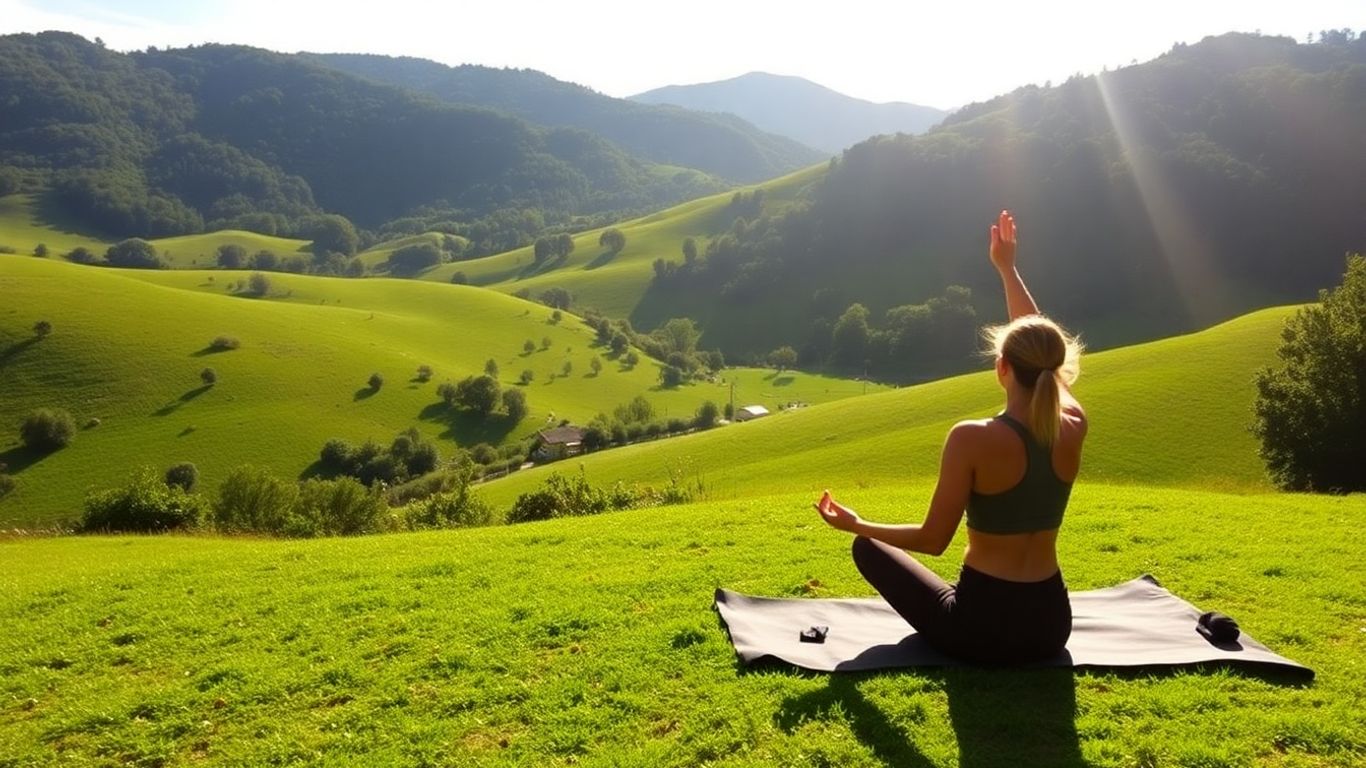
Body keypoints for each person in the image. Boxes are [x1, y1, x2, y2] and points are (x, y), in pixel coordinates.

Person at [815, 209, 1087, 664]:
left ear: (1001, 368)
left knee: (869, 549)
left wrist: (856, 523)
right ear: (1053, 370)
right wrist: (1009, 269)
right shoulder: (1073, 424)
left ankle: (863, 537)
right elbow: (1040, 348)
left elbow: (932, 540)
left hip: (979, 628)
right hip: (1051, 626)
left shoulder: (972, 438)